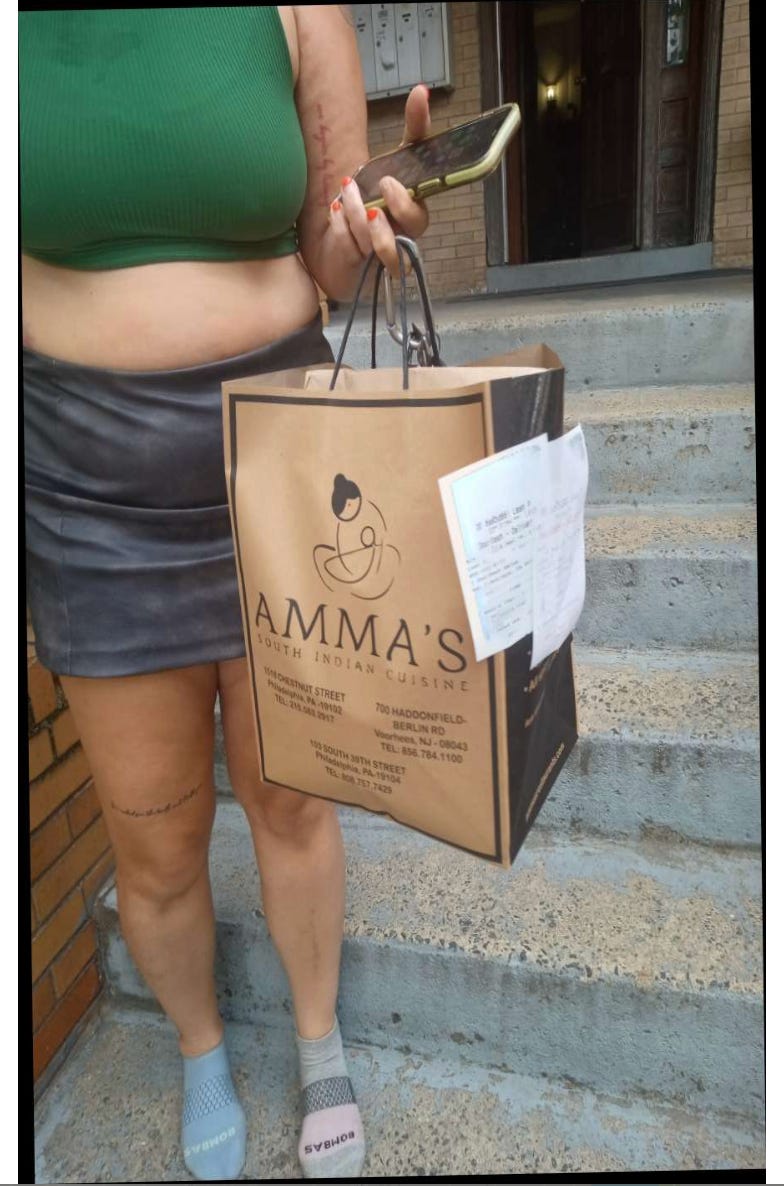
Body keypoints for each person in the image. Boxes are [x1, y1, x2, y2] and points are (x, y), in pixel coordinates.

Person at [21, 7, 430, 1180]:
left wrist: (371, 224)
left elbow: (328, 254)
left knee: (292, 797)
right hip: (84, 484)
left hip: (285, 467)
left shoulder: (300, 11)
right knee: (151, 838)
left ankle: (317, 1038)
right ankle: (201, 1046)